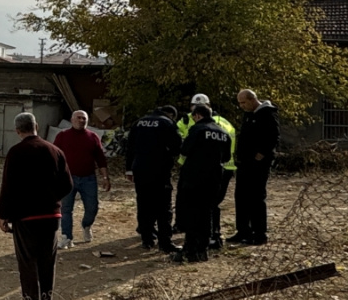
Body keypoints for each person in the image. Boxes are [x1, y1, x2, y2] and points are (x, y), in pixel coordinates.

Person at [0, 112, 73, 300]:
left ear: (17, 130)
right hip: (51, 215)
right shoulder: (55, 150)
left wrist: (4, 216)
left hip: (25, 217)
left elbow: (8, 186)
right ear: (36, 126)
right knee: (47, 263)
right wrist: (50, 198)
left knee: (28, 264)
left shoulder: (16, 152)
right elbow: (67, 184)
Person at [172, 104, 232, 263]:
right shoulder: (223, 133)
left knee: (192, 213)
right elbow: (226, 158)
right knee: (206, 214)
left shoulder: (197, 130)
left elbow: (184, 150)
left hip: (193, 178)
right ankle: (203, 249)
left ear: (198, 115)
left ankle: (190, 250)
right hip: (213, 179)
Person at [124, 105, 182, 252]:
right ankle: (165, 242)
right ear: (171, 115)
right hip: (159, 169)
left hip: (140, 169)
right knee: (163, 207)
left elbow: (129, 147)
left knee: (144, 204)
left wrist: (129, 169)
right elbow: (177, 146)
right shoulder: (167, 123)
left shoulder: (139, 122)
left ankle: (147, 239)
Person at [52, 110, 111, 248]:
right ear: (72, 120)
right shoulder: (62, 136)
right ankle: (67, 237)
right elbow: (54, 156)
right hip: (67, 178)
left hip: (88, 178)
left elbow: (101, 159)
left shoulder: (93, 137)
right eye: (78, 118)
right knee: (66, 209)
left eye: (83, 118)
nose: (81, 120)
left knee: (92, 207)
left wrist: (105, 177)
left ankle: (86, 225)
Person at [229, 89, 280, 245]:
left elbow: (274, 136)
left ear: (252, 100)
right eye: (239, 103)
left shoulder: (267, 114)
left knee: (256, 197)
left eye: (243, 102)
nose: (241, 106)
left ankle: (259, 233)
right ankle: (243, 230)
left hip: (258, 164)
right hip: (244, 162)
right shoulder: (248, 115)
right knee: (241, 196)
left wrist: (262, 153)